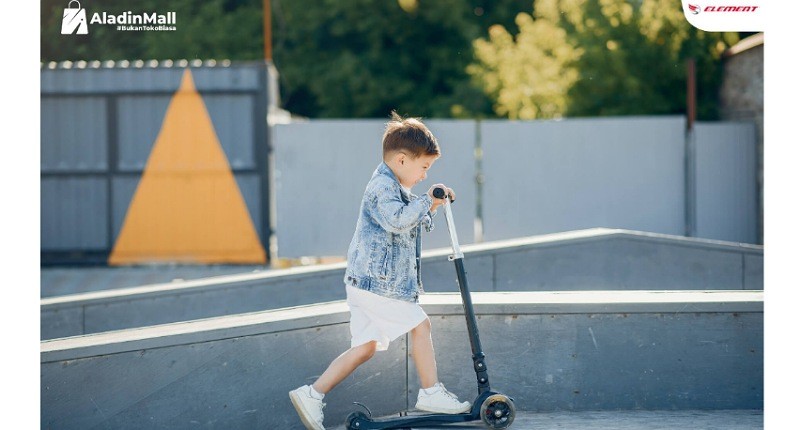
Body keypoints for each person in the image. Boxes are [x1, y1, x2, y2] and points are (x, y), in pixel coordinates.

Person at [289, 112, 470, 430]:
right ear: (402, 160)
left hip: (366, 284)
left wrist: (432, 204)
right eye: (424, 167)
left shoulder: (395, 188)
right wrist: (426, 200)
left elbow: (411, 222)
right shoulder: (382, 189)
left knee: (365, 347)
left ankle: (312, 394)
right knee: (421, 325)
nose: (425, 176)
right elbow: (398, 220)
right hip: (378, 285)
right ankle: (431, 392)